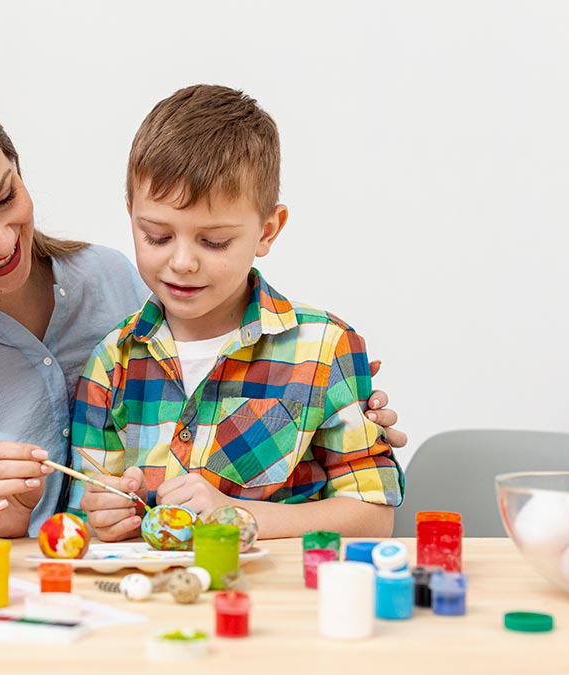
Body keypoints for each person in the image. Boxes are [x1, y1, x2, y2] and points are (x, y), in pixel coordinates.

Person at [0, 71, 406, 539]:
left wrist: (332, 393)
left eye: (6, 196)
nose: (0, 240)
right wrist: (3, 524)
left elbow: (227, 355)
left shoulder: (113, 280)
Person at [71, 85, 404, 542]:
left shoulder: (324, 349)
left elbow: (374, 516)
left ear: (267, 231)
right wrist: (103, 517)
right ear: (131, 214)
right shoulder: (112, 362)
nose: (183, 261)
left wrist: (236, 514)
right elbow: (85, 516)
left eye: (214, 242)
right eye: (156, 236)